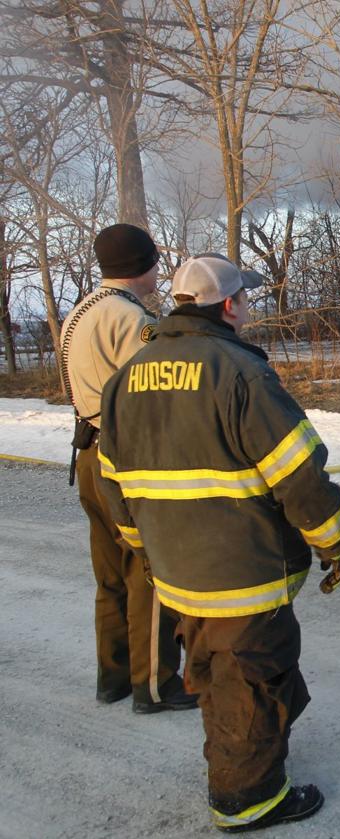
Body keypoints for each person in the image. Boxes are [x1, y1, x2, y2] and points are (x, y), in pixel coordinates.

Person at [97, 254, 340, 833]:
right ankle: (247, 799)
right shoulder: (240, 373)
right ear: (230, 305)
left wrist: (148, 549)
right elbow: (300, 476)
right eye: (246, 298)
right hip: (244, 570)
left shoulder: (126, 378)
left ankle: (244, 763)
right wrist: (335, 544)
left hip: (176, 571)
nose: (248, 306)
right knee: (251, 682)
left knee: (216, 672)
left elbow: (114, 486)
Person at [60, 223, 194, 714]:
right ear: (145, 264)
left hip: (90, 454)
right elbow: (155, 390)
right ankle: (155, 684)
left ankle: (113, 676)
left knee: (110, 575)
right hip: (125, 457)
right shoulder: (130, 318)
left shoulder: (82, 309)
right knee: (150, 570)